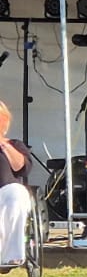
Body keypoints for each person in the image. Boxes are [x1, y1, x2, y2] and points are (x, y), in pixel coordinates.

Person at [0, 102, 31, 266]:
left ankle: (10, 256)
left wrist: (2, 143)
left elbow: (22, 168)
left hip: (6, 194)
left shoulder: (14, 145)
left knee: (17, 193)